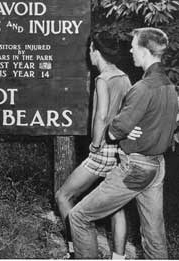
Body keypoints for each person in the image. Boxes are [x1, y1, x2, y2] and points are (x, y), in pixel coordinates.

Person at [69, 27, 179, 259]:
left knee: (78, 217)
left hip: (135, 168)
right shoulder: (169, 86)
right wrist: (144, 126)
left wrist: (120, 127)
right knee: (154, 234)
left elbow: (114, 131)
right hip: (157, 166)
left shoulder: (142, 88)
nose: (130, 50)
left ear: (145, 51)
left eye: (134, 45)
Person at [55, 32, 131, 259]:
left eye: (90, 49)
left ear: (95, 52)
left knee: (63, 196)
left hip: (103, 149)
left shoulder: (103, 79)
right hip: (120, 149)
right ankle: (119, 257)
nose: (88, 53)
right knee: (116, 208)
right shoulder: (124, 77)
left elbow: (102, 116)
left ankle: (74, 250)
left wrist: (95, 144)